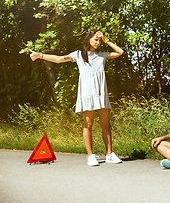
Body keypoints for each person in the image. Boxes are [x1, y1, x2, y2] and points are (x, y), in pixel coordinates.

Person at [30, 29, 124, 166]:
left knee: (105, 125)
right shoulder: (78, 55)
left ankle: (109, 154)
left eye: (99, 40)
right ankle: (90, 156)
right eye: (95, 39)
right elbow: (58, 59)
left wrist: (106, 40)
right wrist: (40, 55)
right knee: (88, 125)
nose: (97, 43)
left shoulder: (102, 56)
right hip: (86, 95)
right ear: (88, 40)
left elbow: (120, 52)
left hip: (101, 94)